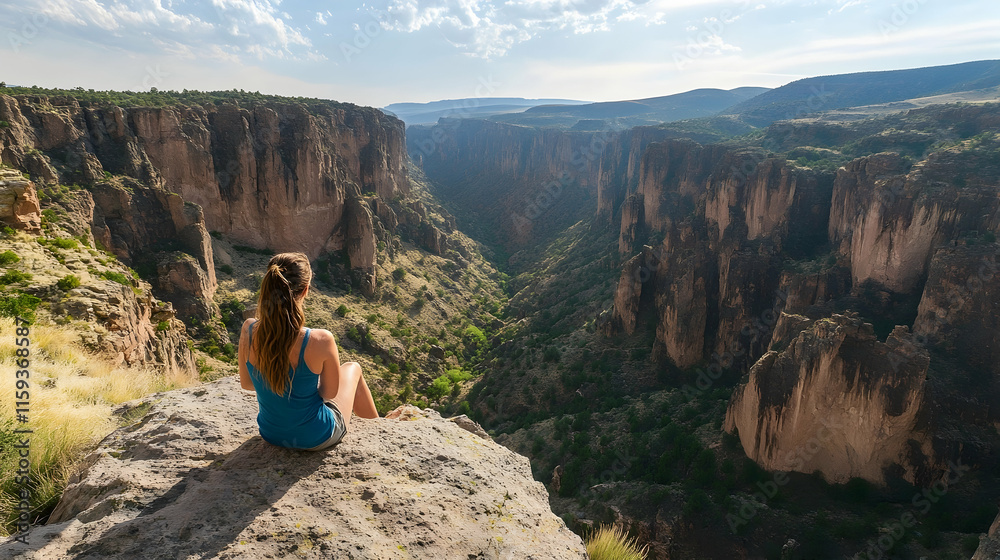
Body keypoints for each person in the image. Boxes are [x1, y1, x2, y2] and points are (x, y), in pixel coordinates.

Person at [238, 252, 379, 450]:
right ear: (305, 290)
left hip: (271, 433)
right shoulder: (320, 340)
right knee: (353, 368)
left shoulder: (249, 329)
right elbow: (329, 393)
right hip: (316, 437)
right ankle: (379, 429)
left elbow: (247, 384)